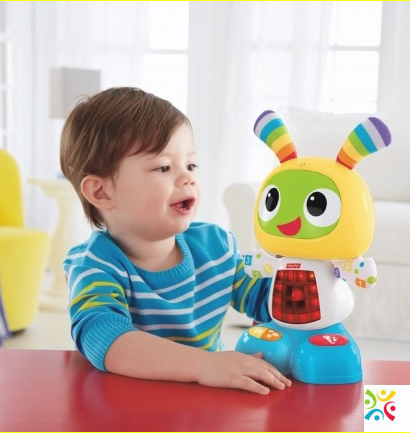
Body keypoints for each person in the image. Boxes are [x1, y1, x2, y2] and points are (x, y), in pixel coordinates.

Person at [60, 87, 291, 394]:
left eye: (191, 165)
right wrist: (206, 365)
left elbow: (269, 301)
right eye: (164, 167)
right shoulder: (94, 265)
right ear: (101, 192)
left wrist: (301, 273)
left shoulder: (216, 247)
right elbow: (105, 338)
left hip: (205, 403)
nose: (188, 178)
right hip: (129, 406)